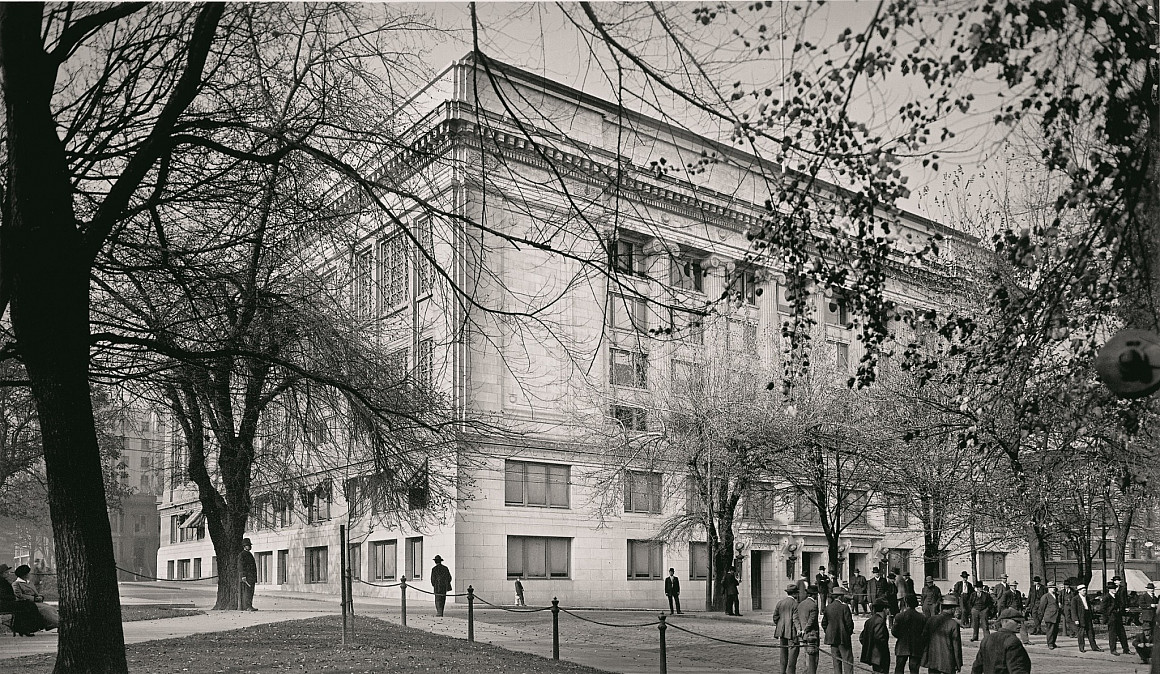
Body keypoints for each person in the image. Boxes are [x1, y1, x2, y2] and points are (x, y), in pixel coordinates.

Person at [969, 608, 1031, 674]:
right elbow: (1017, 669)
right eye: (1017, 622)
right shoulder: (1012, 641)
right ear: (1005, 621)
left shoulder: (987, 639)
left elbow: (977, 667)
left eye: (1021, 622)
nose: (1020, 624)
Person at [0, 563, 45, 636]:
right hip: (4, 604)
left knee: (27, 605)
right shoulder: (2, 583)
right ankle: (28, 627)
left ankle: (26, 628)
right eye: (6, 572)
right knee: (27, 606)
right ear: (2, 573)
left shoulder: (4, 582)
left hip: (7, 602)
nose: (8, 573)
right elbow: (4, 595)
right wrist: (12, 597)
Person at [12, 565, 58, 630]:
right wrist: (34, 599)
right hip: (27, 603)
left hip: (35, 602)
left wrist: (40, 597)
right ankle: (56, 623)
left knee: (51, 608)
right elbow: (19, 595)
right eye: (28, 573)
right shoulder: (16, 584)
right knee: (46, 609)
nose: (30, 574)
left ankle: (54, 623)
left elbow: (36, 593)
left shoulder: (29, 583)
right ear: (25, 574)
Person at [921, 604, 964, 674]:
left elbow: (924, 638)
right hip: (948, 661)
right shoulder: (953, 624)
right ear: (952, 609)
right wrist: (958, 663)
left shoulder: (931, 620)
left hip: (933, 659)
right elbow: (956, 646)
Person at [892, 594, 928, 674]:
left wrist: (901, 637)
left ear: (906, 603)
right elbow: (925, 633)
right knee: (914, 670)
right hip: (916, 646)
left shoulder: (899, 616)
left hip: (902, 646)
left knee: (899, 669)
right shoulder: (922, 617)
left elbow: (894, 632)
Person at [823, 586, 855, 674]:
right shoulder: (844, 607)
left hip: (832, 639)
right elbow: (849, 624)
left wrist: (829, 632)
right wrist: (847, 633)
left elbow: (824, 623)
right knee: (847, 661)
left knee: (836, 662)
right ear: (840, 596)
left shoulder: (828, 607)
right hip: (843, 638)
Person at [772, 583, 800, 674]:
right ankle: (791, 672)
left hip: (781, 631)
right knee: (793, 653)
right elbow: (795, 619)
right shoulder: (795, 604)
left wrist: (780, 625)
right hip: (791, 632)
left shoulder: (780, 602)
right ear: (795, 594)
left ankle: (782, 671)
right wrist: (799, 630)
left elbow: (775, 617)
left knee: (783, 653)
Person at [860, 599, 892, 673]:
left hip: (873, 656)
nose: (888, 612)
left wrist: (869, 646)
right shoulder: (880, 621)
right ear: (884, 609)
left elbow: (862, 637)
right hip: (880, 655)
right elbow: (879, 638)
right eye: (887, 609)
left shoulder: (869, 621)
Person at [1103, 580, 1131, 655]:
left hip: (1118, 618)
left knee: (1122, 634)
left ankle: (1126, 649)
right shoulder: (1106, 597)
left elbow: (1121, 605)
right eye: (1113, 588)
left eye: (1115, 588)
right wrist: (1109, 614)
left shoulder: (1117, 597)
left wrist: (1122, 610)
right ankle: (1113, 650)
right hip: (1111, 618)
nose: (1114, 590)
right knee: (1113, 635)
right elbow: (1102, 609)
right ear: (1109, 589)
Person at [1070, 583, 1100, 652]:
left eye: (1085, 590)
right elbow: (1073, 610)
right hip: (1080, 617)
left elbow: (1089, 607)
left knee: (1091, 633)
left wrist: (1092, 616)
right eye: (1083, 590)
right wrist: (1076, 619)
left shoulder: (1087, 598)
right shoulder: (1075, 599)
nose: (1085, 591)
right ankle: (1081, 647)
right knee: (1081, 634)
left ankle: (1094, 647)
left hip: (1087, 616)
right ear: (1079, 591)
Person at [798, 585, 821, 674]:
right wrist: (806, 629)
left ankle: (807, 671)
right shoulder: (813, 605)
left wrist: (801, 630)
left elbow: (797, 618)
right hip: (812, 635)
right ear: (814, 595)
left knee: (806, 655)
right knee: (814, 658)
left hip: (804, 635)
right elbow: (811, 621)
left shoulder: (801, 604)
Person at [1038, 582, 1060, 649]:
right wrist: (1041, 617)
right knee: (1050, 630)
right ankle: (1050, 643)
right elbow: (1042, 608)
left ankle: (1053, 642)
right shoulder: (1045, 596)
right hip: (1049, 616)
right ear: (1048, 588)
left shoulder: (1056, 595)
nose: (1053, 589)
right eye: (1051, 587)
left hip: (1056, 616)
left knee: (1055, 630)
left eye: (1054, 587)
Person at [1008, 580, 1030, 645]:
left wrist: (1022, 610)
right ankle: (1012, 640)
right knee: (1011, 625)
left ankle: (1025, 640)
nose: (1014, 587)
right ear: (1010, 586)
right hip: (1011, 610)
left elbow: (1020, 602)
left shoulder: (1018, 593)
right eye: (1013, 586)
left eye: (1015, 586)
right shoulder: (1007, 593)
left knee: (1022, 625)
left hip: (1018, 610)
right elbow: (1003, 603)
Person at [239, 538, 257, 611]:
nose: (249, 546)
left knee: (251, 592)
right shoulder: (242, 555)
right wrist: (243, 576)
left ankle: (249, 605)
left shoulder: (249, 554)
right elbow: (241, 566)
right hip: (246, 577)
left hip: (251, 576)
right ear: (244, 546)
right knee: (247, 592)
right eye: (247, 545)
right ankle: (247, 606)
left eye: (249, 545)